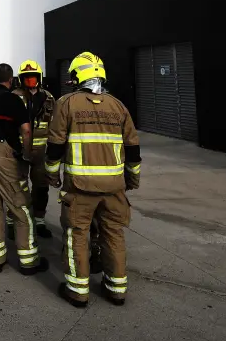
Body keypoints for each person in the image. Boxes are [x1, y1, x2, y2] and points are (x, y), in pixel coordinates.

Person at [45, 51, 141, 308]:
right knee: (113, 235)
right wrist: (132, 179)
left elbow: (54, 145)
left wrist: (52, 174)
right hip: (114, 188)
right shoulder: (118, 106)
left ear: (77, 75)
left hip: (80, 188)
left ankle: (78, 291)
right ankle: (116, 289)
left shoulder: (66, 104)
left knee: (77, 234)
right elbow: (133, 149)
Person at [0, 63, 49, 275]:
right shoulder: (14, 99)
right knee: (20, 208)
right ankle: (28, 262)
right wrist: (27, 154)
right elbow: (25, 130)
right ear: (11, 79)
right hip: (4, 155)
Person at [11, 60, 56, 239]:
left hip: (41, 152)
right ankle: (13, 221)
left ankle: (39, 221)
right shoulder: (14, 96)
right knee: (17, 187)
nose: (30, 80)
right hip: (19, 151)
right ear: (21, 79)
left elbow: (55, 125)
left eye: (33, 77)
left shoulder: (49, 98)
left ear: (39, 78)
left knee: (41, 188)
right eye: (26, 77)